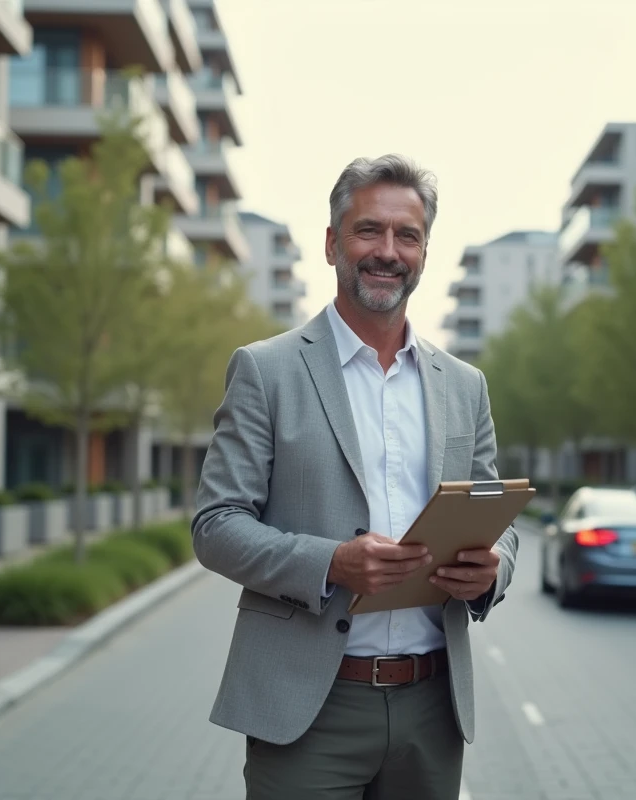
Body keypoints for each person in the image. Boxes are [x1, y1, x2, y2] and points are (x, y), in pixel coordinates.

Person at [192, 154, 518, 800]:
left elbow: (497, 522)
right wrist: (331, 563)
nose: (388, 252)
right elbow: (214, 525)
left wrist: (494, 572)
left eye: (408, 235)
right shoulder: (267, 371)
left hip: (433, 710)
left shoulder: (466, 386)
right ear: (332, 242)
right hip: (309, 708)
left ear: (425, 251)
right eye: (369, 230)